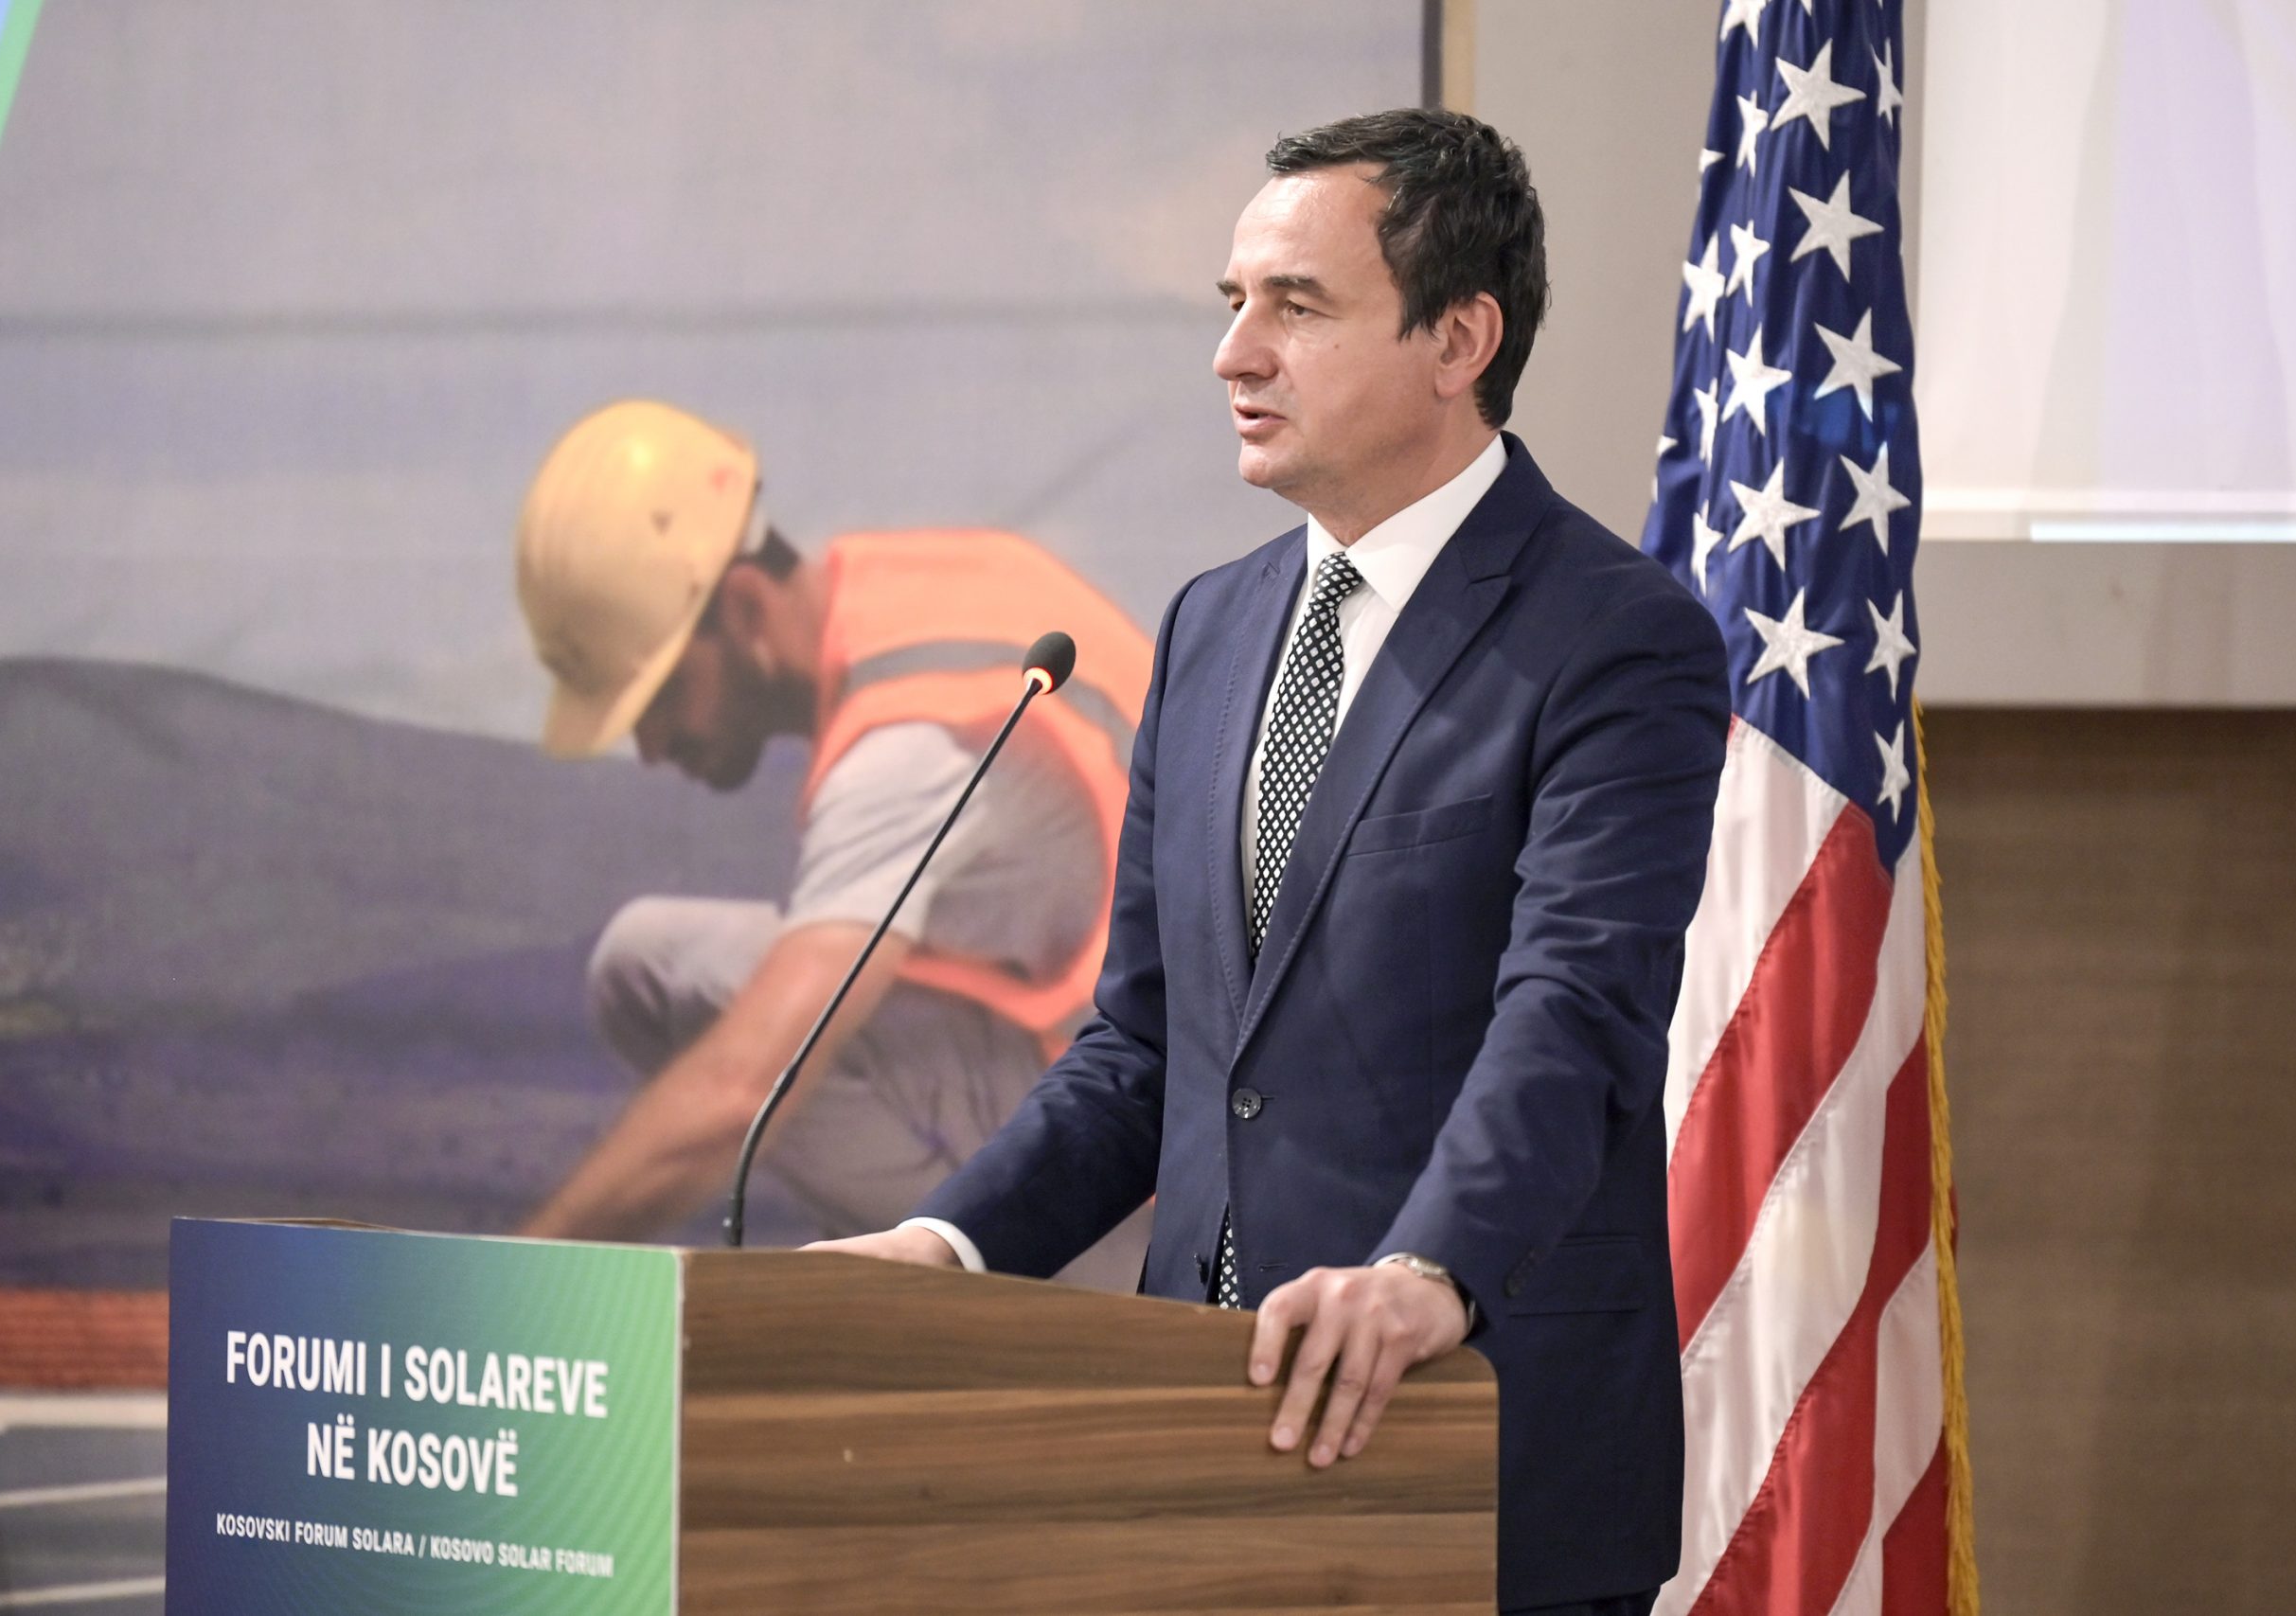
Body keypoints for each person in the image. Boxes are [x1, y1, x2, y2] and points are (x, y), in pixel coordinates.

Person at [812, 111, 1731, 1613]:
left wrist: (1425, 1270)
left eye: (1295, 306)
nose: (1234, 354)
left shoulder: (1615, 636)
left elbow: (1574, 1014)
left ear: (1459, 339)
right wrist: (952, 1242)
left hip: (1474, 1438)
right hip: (1196, 1440)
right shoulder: (1211, 624)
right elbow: (1146, 1044)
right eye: (1234, 302)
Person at [510, 399, 1153, 1287]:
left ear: (743, 607)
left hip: (1124, 1169)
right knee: (649, 962)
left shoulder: (916, 744)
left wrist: (507, 1290)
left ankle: (966, 1285)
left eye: (661, 696)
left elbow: (740, 1087)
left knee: (728, 1024)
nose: (651, 747)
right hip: (1128, 1088)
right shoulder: (911, 601)